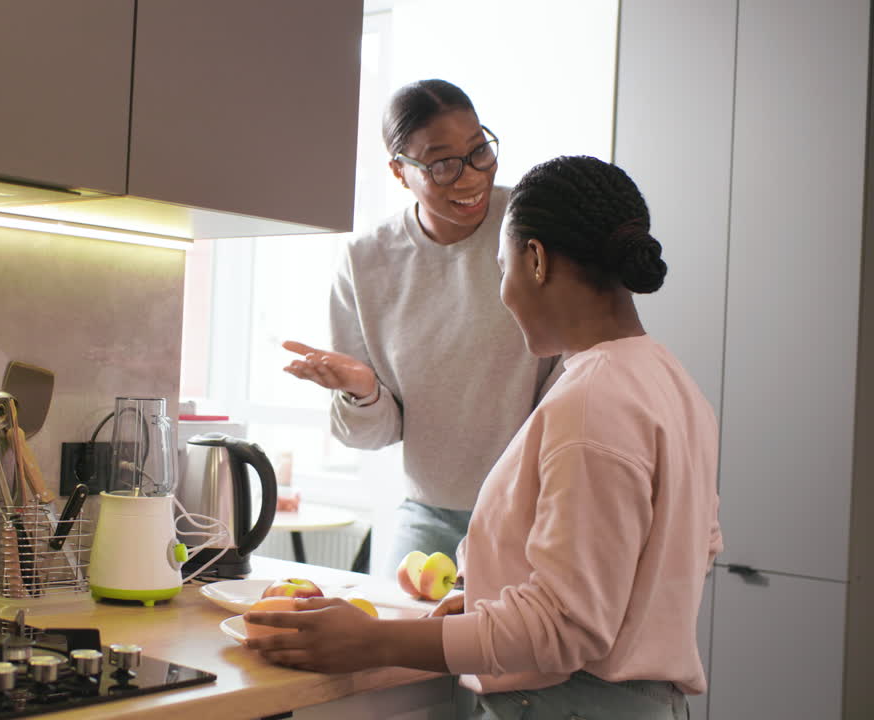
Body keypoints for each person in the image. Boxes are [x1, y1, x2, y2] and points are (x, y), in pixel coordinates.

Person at [251, 155, 723, 720]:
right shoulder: (670, 381)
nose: (503, 292)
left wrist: (371, 640)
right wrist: (483, 607)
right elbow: (690, 548)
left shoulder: (593, 400)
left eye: (502, 268)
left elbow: (564, 627)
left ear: (537, 260)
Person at [283, 79, 560, 571]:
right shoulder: (365, 262)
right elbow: (372, 435)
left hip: (535, 507)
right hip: (429, 512)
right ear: (398, 170)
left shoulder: (534, 225)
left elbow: (579, 366)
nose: (471, 177)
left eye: (479, 151)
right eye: (442, 163)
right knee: (394, 640)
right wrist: (363, 392)